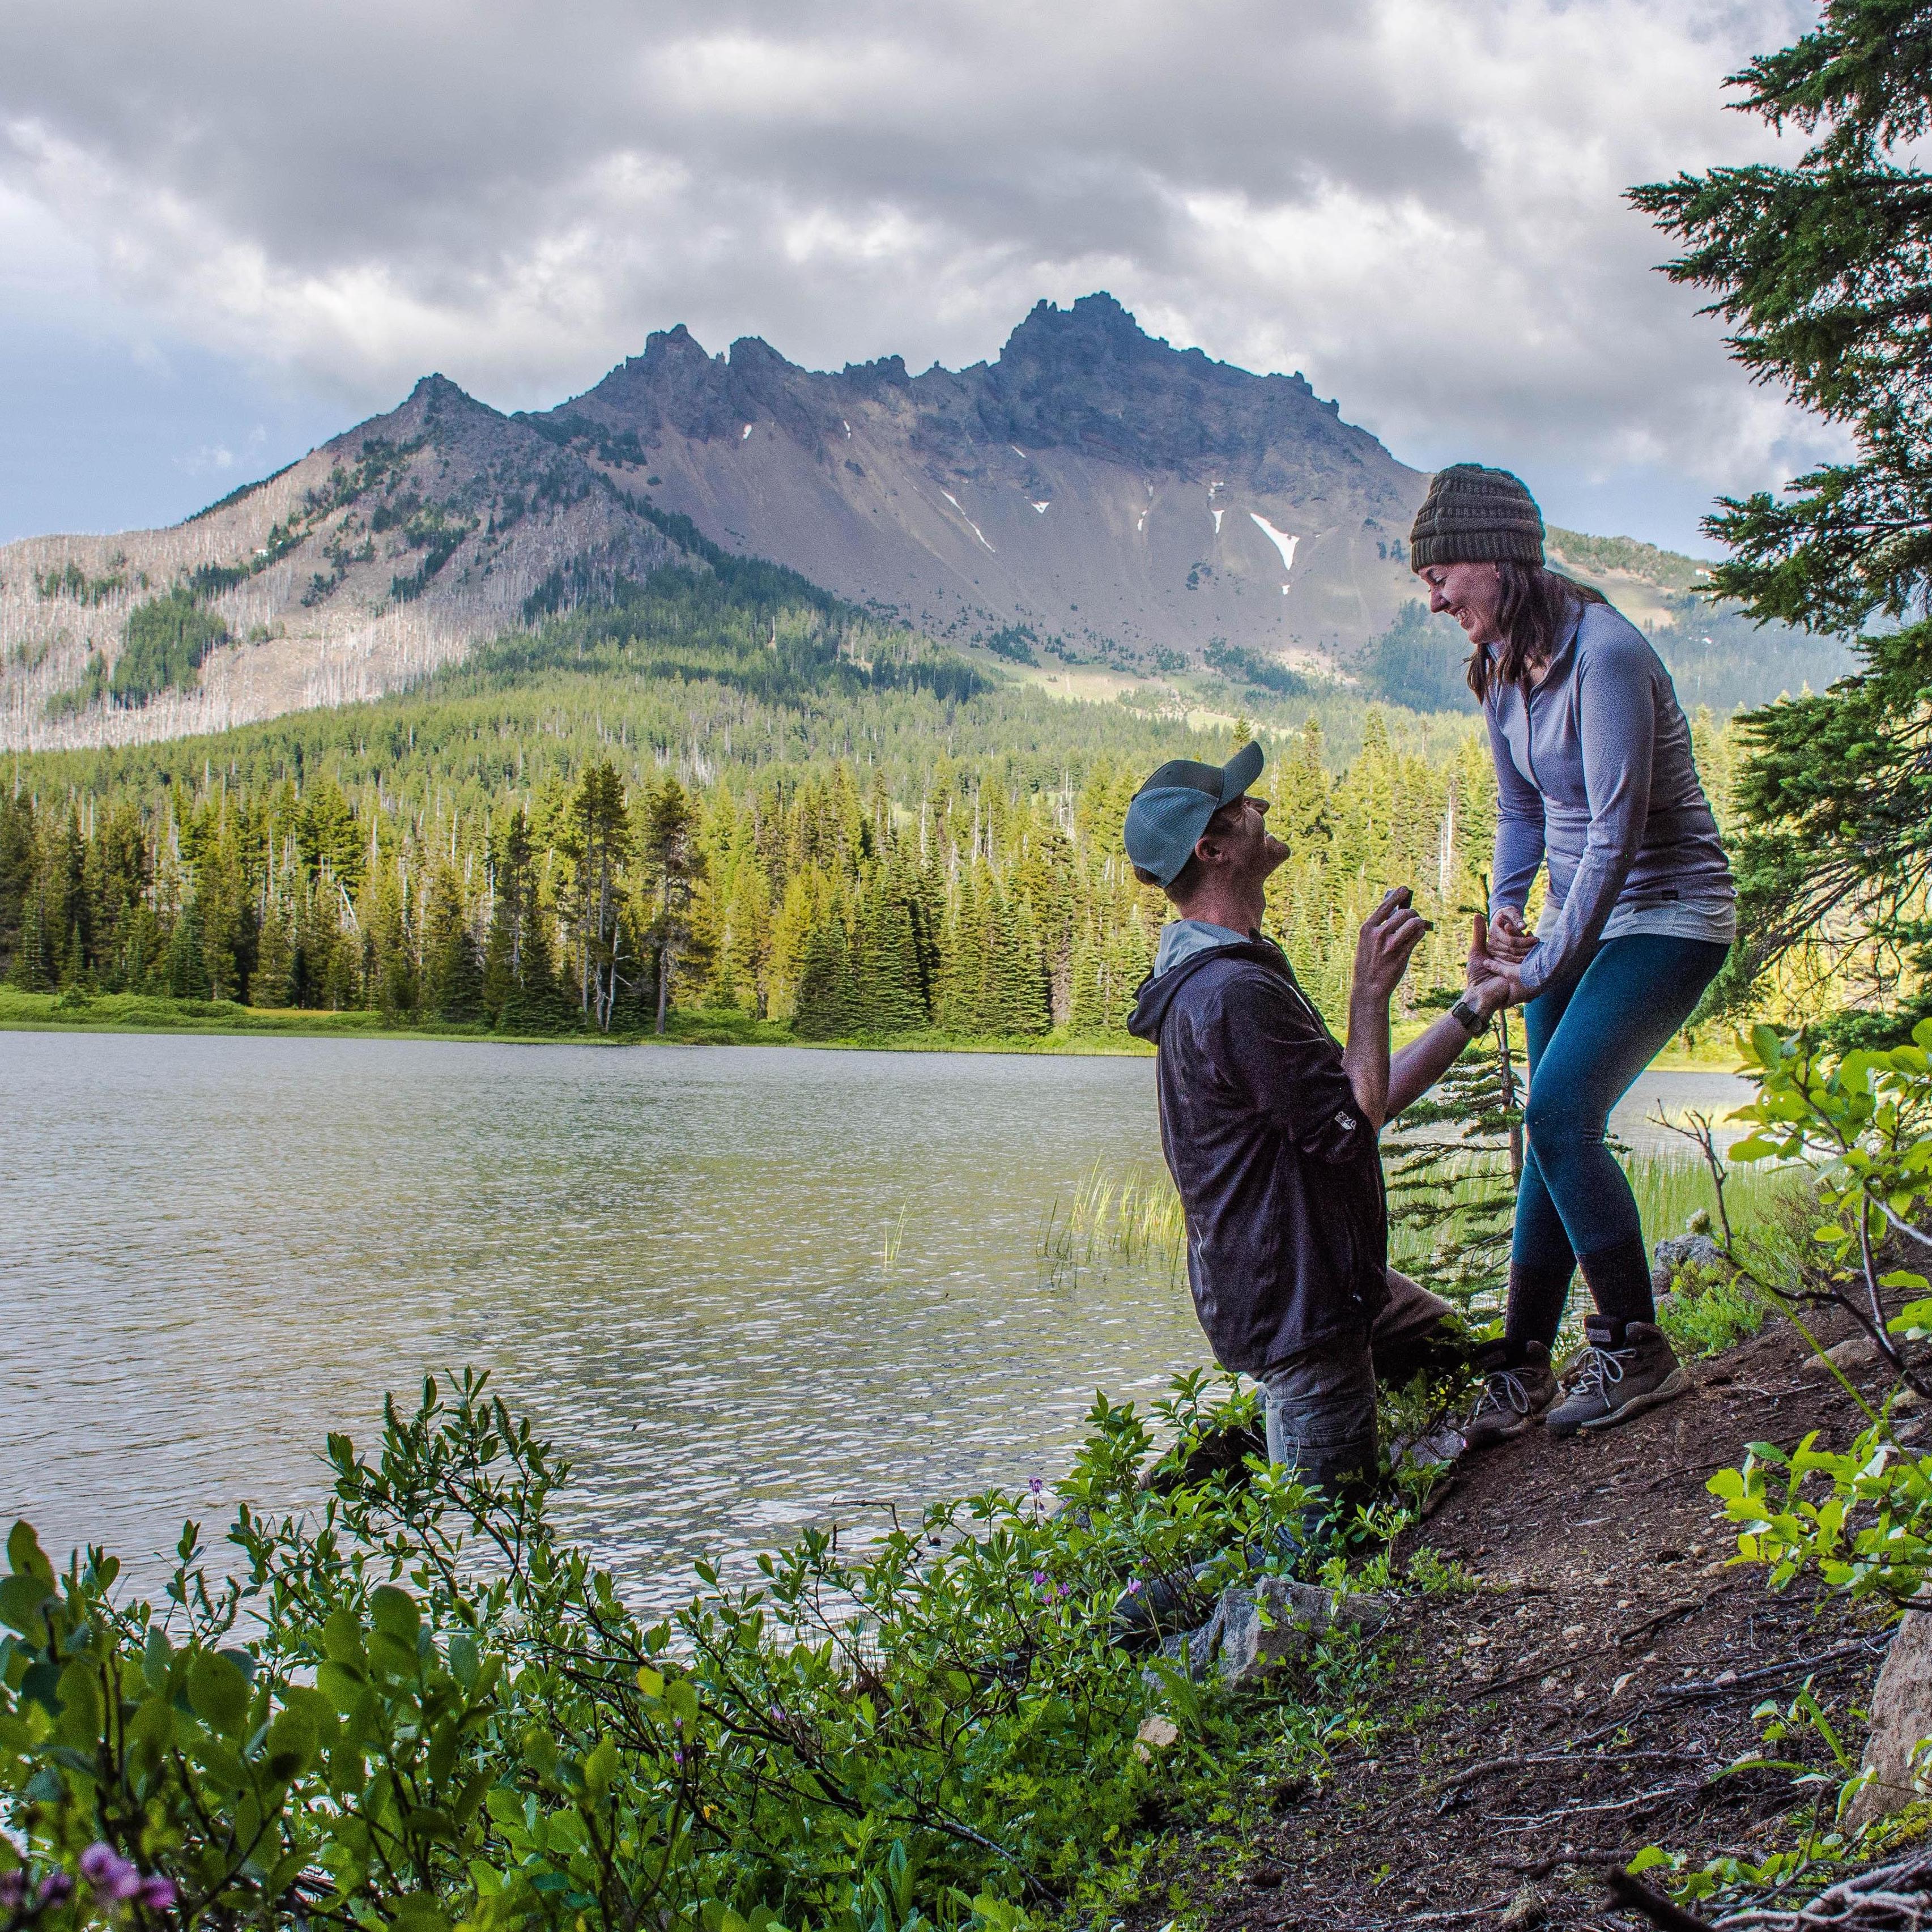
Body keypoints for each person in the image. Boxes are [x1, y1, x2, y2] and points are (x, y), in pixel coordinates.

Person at [1411, 463, 1735, 1443]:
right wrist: (1507, 914)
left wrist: (1546, 964)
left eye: (1441, 572)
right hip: (1577, 923)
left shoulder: (1608, 655)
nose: (1432, 598)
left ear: (1499, 556)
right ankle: (1518, 1370)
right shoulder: (1502, 669)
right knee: (1547, 1139)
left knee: (1557, 1112)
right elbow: (1523, 810)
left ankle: (1635, 1345)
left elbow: (1612, 835)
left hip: (1671, 914)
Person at [1123, 741, 1511, 1517]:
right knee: (1324, 1541)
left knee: (1450, 1356)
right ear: (1213, 849)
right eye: (1243, 806)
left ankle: (1249, 1465)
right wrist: (1368, 992)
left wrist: (1473, 1007)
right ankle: (1200, 1517)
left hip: (1326, 1283)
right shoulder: (1229, 994)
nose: (1261, 808)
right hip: (1299, 1310)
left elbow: (1354, 1101)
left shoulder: (1235, 973)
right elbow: (1355, 1117)